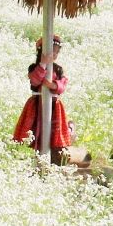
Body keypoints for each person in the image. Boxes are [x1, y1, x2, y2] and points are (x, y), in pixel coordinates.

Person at [13, 34, 74, 163]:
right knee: (36, 131)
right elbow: (35, 80)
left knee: (53, 131)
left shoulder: (58, 69)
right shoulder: (34, 67)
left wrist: (52, 85)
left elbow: (62, 85)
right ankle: (37, 156)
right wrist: (43, 64)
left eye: (57, 52)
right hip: (37, 104)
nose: (55, 55)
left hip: (54, 105)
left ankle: (53, 157)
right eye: (52, 52)